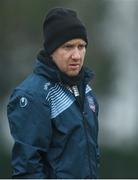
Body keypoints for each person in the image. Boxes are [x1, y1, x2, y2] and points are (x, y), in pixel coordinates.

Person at [7, 7, 100, 179]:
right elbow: (28, 171)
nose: (77, 55)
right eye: (68, 47)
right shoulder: (32, 96)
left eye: (81, 46)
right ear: (51, 50)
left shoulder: (86, 91)